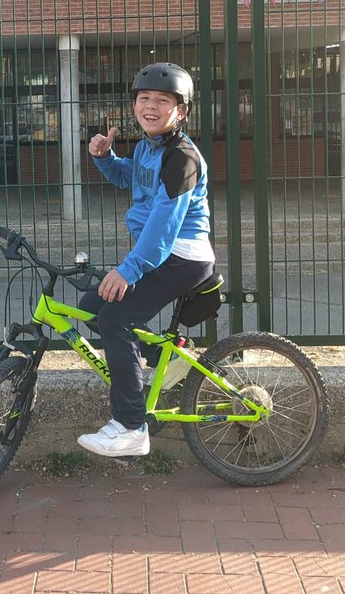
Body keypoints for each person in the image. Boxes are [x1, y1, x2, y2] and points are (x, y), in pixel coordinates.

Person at [77, 61, 216, 457]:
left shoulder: (182, 158)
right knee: (91, 307)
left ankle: (130, 426)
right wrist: (106, 157)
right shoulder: (146, 148)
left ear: (182, 111)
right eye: (143, 99)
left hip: (182, 257)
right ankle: (169, 359)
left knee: (115, 317)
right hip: (160, 253)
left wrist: (129, 269)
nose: (150, 107)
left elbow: (163, 226)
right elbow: (129, 178)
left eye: (162, 101)